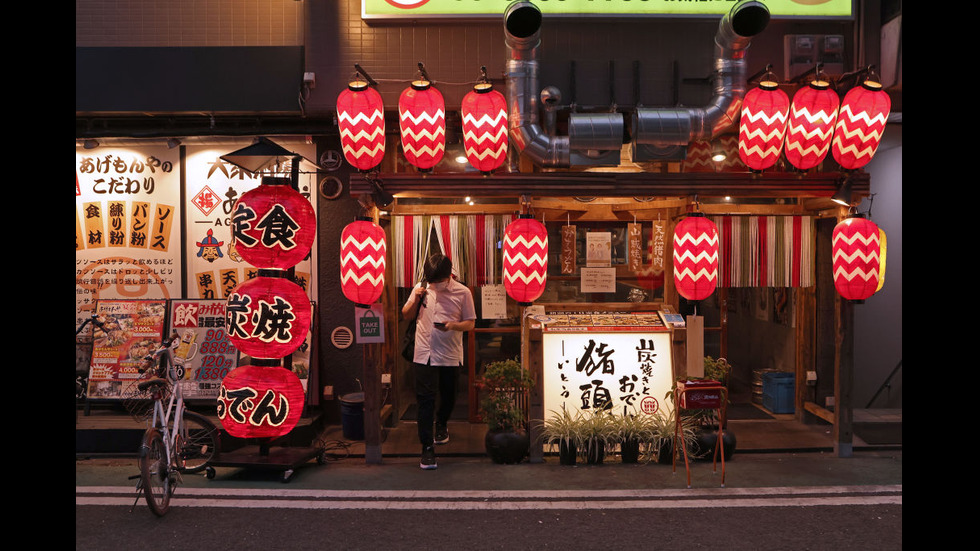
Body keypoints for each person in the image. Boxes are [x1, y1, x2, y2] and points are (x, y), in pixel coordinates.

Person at [401, 253, 476, 470]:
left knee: (450, 395)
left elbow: (470, 323)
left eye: (438, 281)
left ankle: (442, 423)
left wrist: (452, 326)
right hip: (423, 353)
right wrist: (415, 297)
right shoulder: (422, 287)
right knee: (425, 400)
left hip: (450, 353)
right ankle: (426, 448)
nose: (434, 285)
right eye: (431, 281)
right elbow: (406, 315)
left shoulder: (463, 292)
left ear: (448, 275)